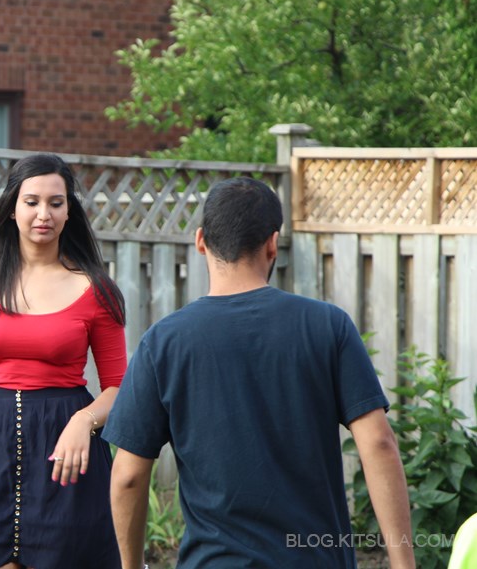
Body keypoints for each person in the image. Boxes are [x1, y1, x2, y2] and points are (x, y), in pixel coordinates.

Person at [102, 177, 415, 569]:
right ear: (273, 244)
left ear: (200, 241)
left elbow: (128, 476)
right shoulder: (327, 326)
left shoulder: (163, 342)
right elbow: (379, 444)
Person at [0, 153, 127, 569]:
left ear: (69, 211)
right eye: (32, 202)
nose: (44, 214)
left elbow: (120, 388)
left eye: (56, 203)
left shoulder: (96, 289)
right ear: (12, 208)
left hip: (67, 458)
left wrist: (83, 421)